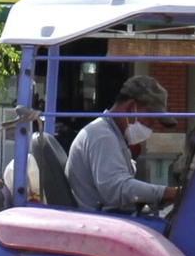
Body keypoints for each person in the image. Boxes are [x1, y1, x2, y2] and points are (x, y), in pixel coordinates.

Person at [65, 73, 183, 215]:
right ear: (131, 107)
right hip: (102, 221)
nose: (152, 126)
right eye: (151, 118)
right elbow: (118, 190)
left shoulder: (114, 136)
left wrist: (161, 197)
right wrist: (168, 193)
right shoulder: (103, 136)